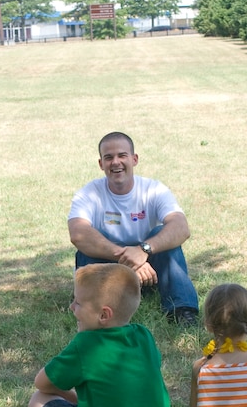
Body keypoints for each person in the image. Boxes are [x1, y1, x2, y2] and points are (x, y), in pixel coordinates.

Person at [26, 263, 176, 407]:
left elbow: (42, 383)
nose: (71, 307)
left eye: (78, 303)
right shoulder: (144, 335)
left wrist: (67, 395)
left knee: (38, 399)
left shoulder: (86, 345)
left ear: (104, 315)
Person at [68, 131, 200, 326]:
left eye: (122, 155)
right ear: (101, 164)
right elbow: (78, 234)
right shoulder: (89, 193)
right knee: (93, 240)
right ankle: (92, 307)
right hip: (110, 272)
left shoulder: (154, 189)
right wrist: (129, 258)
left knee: (161, 235)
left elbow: (181, 228)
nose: (116, 162)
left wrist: (143, 250)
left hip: (150, 274)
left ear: (134, 159)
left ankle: (182, 310)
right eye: (108, 157)